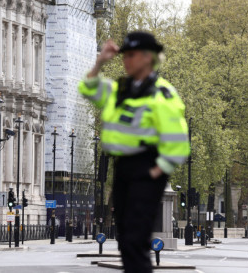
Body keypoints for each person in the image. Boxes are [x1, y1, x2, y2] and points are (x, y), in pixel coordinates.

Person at [79, 31, 190, 273]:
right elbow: (88, 89)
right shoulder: (120, 88)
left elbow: (178, 143)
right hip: (122, 167)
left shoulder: (162, 94)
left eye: (131, 55)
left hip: (146, 166)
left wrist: (155, 173)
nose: (125, 60)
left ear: (147, 58)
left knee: (136, 240)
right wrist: (100, 62)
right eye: (124, 55)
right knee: (126, 239)